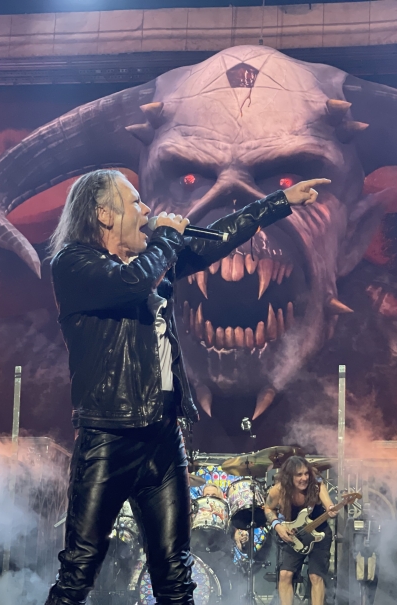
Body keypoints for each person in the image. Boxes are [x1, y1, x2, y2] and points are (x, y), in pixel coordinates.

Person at [44, 169, 330, 605]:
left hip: (162, 435)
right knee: (80, 568)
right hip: (108, 435)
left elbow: (217, 240)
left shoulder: (153, 263)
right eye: (135, 202)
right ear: (104, 214)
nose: (147, 210)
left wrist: (278, 203)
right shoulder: (75, 264)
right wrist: (166, 238)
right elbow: (131, 284)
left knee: (176, 570)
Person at [263, 456, 337, 605]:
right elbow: (268, 508)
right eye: (299, 475)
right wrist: (278, 526)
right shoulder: (279, 490)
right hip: (294, 535)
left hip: (319, 534)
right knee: (285, 574)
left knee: (315, 576)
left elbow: (329, 505)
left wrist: (331, 509)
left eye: (306, 473)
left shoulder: (316, 485)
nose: (304, 478)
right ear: (289, 476)